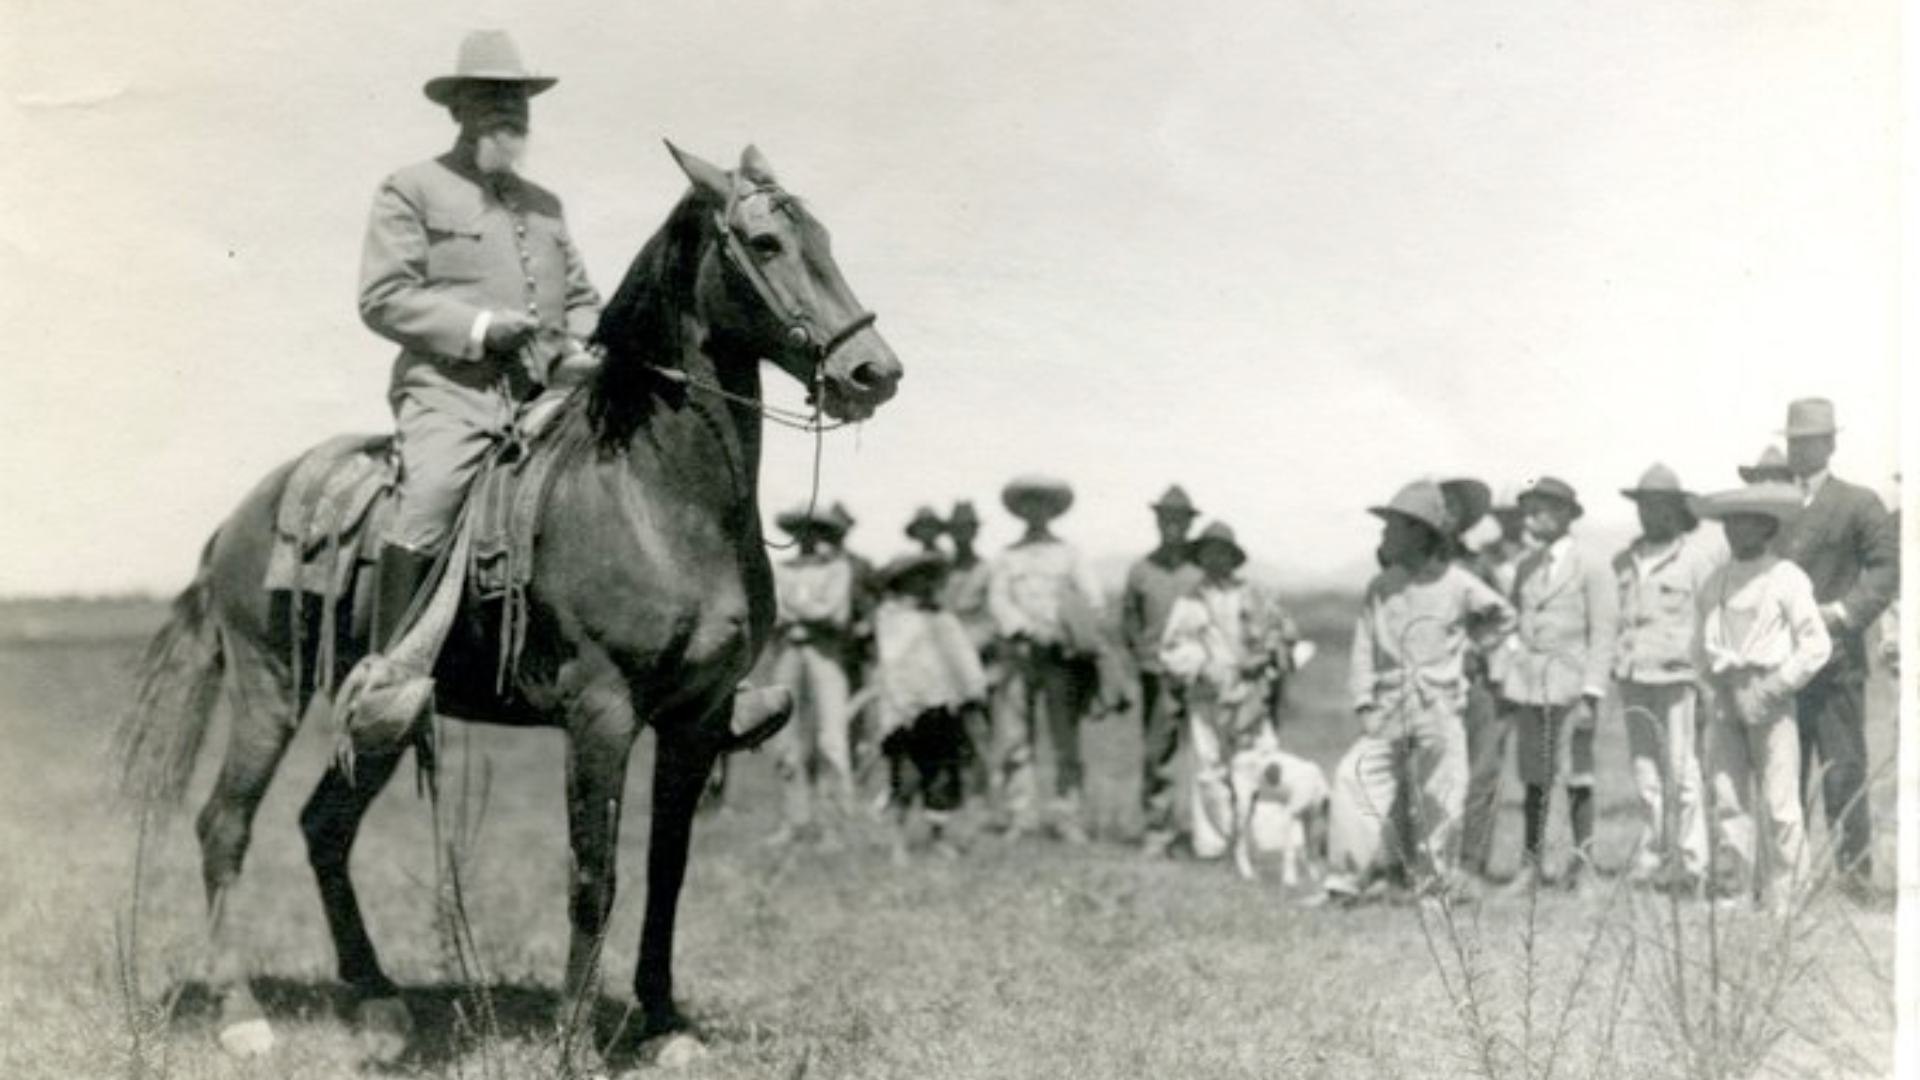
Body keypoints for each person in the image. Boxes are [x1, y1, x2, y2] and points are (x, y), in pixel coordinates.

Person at [359, 30, 602, 656]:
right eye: (489, 96)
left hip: (550, 397)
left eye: (517, 97)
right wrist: (480, 329)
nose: (508, 109)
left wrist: (585, 345)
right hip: (452, 394)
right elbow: (384, 296)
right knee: (433, 494)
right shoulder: (411, 188)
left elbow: (578, 295)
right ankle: (389, 679)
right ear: (456, 107)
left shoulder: (546, 205)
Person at [1319, 480, 1515, 905]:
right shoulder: (1383, 585)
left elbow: (1503, 616)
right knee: (1355, 775)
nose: (1384, 537)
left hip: (1440, 706)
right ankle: (1346, 880)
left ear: (1420, 533)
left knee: (1441, 793)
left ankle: (1434, 886)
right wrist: (1364, 701)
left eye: (1393, 529)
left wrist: (1468, 645)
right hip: (1389, 706)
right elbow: (1364, 646)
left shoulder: (1459, 583)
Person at [1772, 398, 1899, 902]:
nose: (1801, 449)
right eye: (1794, 440)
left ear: (1832, 443)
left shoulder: (1858, 503)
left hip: (1837, 664)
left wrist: (1844, 613)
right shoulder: (1772, 506)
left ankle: (1855, 879)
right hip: (1781, 666)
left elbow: (1888, 568)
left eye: (1811, 440)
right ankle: (1791, 882)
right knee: (1785, 776)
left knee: (1843, 771)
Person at [1694, 483, 1832, 913]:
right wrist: (1719, 687)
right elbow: (1699, 649)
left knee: (1779, 802)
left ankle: (1789, 896)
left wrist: (1774, 686)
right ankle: (1735, 891)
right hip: (1726, 697)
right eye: (1730, 522)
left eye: (1747, 522)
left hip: (1772, 698)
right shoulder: (1715, 582)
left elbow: (1816, 644)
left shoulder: (1786, 578)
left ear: (1767, 526)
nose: (1736, 531)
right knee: (1730, 799)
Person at [1497, 476, 1618, 894]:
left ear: (1568, 514)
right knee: (1535, 776)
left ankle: (1583, 869)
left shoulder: (1593, 564)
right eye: (1529, 507)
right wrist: (1512, 660)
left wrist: (1592, 693)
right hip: (1529, 688)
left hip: (1573, 690)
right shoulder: (1526, 566)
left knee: (1578, 776)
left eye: (1544, 507)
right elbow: (1513, 620)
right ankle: (1531, 869)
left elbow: (1603, 632)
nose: (1534, 515)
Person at [1157, 522, 1301, 863]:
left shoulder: (1257, 593)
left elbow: (1285, 635)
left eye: (1221, 552)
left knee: (1259, 762)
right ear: (1200, 557)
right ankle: (1215, 844)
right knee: (1208, 769)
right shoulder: (1190, 601)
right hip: (1207, 694)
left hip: (1251, 694)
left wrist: (1266, 657)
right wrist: (1199, 664)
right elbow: (1172, 646)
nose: (1214, 559)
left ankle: (1265, 842)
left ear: (1232, 557)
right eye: (1207, 552)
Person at [1611, 464, 1723, 894]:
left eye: (1659, 506)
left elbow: (1712, 618)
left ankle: (1694, 866)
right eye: (1643, 505)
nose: (1649, 515)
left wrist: (1706, 678)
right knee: (1644, 774)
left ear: (1676, 511)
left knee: (1683, 772)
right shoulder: (1624, 561)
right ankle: (1652, 858)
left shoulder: (1696, 561)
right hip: (1634, 676)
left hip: (1677, 679)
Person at [987, 475, 1108, 843]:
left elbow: (1094, 600)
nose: (1034, 512)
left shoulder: (1070, 554)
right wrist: (1023, 628)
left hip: (1060, 658)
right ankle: (1020, 815)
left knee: (1064, 737)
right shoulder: (1007, 556)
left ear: (1053, 511)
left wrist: (1067, 630)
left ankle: (1066, 816)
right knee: (1015, 737)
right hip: (1020, 655)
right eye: (1028, 505)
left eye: (1042, 505)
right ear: (1019, 510)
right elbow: (998, 601)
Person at [870, 553, 989, 864]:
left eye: (927, 578)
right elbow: (892, 663)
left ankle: (938, 838)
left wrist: (973, 689)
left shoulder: (943, 619)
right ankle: (898, 841)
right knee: (905, 777)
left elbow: (964, 658)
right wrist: (902, 704)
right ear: (901, 583)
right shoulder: (891, 617)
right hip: (906, 711)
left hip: (942, 708)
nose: (922, 585)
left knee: (940, 777)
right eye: (914, 579)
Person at [765, 504, 860, 847]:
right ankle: (795, 820)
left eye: (815, 531)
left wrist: (798, 611)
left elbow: (834, 612)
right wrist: (803, 612)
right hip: (789, 652)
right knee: (785, 736)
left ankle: (834, 824)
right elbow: (774, 611)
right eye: (801, 531)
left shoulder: (836, 568)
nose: (807, 538)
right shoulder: (782, 569)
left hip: (825, 653)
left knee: (831, 737)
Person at [1120, 485, 1205, 857]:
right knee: (1159, 751)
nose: (1173, 527)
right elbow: (1129, 622)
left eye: (1179, 521)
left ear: (1189, 524)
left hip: (1201, 674)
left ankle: (1206, 833)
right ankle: (1158, 828)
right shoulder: (1141, 570)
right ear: (1157, 522)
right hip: (1157, 674)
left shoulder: (1201, 569)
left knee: (1207, 751)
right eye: (1166, 520)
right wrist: (1145, 658)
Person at [1459, 484, 1533, 879]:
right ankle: (1474, 859)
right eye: (1504, 517)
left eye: (1517, 515)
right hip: (1497, 673)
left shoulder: (1540, 558)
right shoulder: (1481, 561)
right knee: (1484, 769)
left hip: (1538, 672)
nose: (1512, 523)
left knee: (1539, 771)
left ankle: (1535, 863)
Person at [940, 501, 998, 798]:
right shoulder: (941, 569)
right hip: (939, 660)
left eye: (967, 530)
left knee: (976, 727)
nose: (961, 536)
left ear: (975, 532)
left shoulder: (987, 571)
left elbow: (992, 618)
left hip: (976, 658)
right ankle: (950, 790)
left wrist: (969, 647)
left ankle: (984, 791)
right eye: (956, 531)